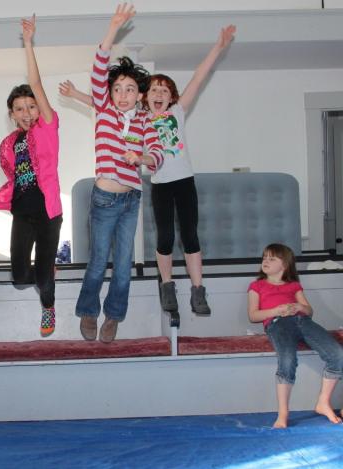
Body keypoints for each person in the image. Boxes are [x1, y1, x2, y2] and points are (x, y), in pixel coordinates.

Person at [60, 25, 237, 316]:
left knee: (186, 237)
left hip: (166, 185)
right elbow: (102, 99)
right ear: (144, 97)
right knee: (155, 239)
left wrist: (218, 46)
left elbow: (196, 80)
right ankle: (162, 287)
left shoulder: (169, 115)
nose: (159, 93)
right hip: (148, 186)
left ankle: (195, 290)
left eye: (165, 90)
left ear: (171, 98)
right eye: (154, 89)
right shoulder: (130, 116)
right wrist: (79, 92)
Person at [75, 3, 163, 343]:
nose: (122, 95)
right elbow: (99, 68)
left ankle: (113, 316)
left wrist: (140, 156)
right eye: (117, 89)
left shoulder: (145, 121)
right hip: (104, 197)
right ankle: (87, 310)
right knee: (98, 263)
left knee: (123, 267)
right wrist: (112, 28)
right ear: (108, 94)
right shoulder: (105, 111)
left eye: (129, 89)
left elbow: (156, 159)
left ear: (139, 94)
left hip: (131, 200)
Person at [0, 15, 62, 337]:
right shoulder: (9, 143)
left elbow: (37, 83)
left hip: (47, 212)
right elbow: (13, 178)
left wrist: (28, 43)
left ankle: (48, 305)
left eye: (31, 106)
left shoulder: (47, 127)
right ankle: (45, 271)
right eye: (20, 108)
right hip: (23, 213)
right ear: (12, 114)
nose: (27, 112)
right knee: (18, 276)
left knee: (42, 279)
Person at [248, 243, 343, 428]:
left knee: (337, 354)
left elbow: (309, 311)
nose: (265, 261)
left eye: (271, 258)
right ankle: (283, 413)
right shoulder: (257, 286)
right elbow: (253, 315)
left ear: (284, 265)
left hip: (302, 322)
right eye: (264, 257)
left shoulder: (293, 285)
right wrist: (276, 311)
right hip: (278, 324)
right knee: (287, 360)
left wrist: (299, 307)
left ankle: (323, 402)